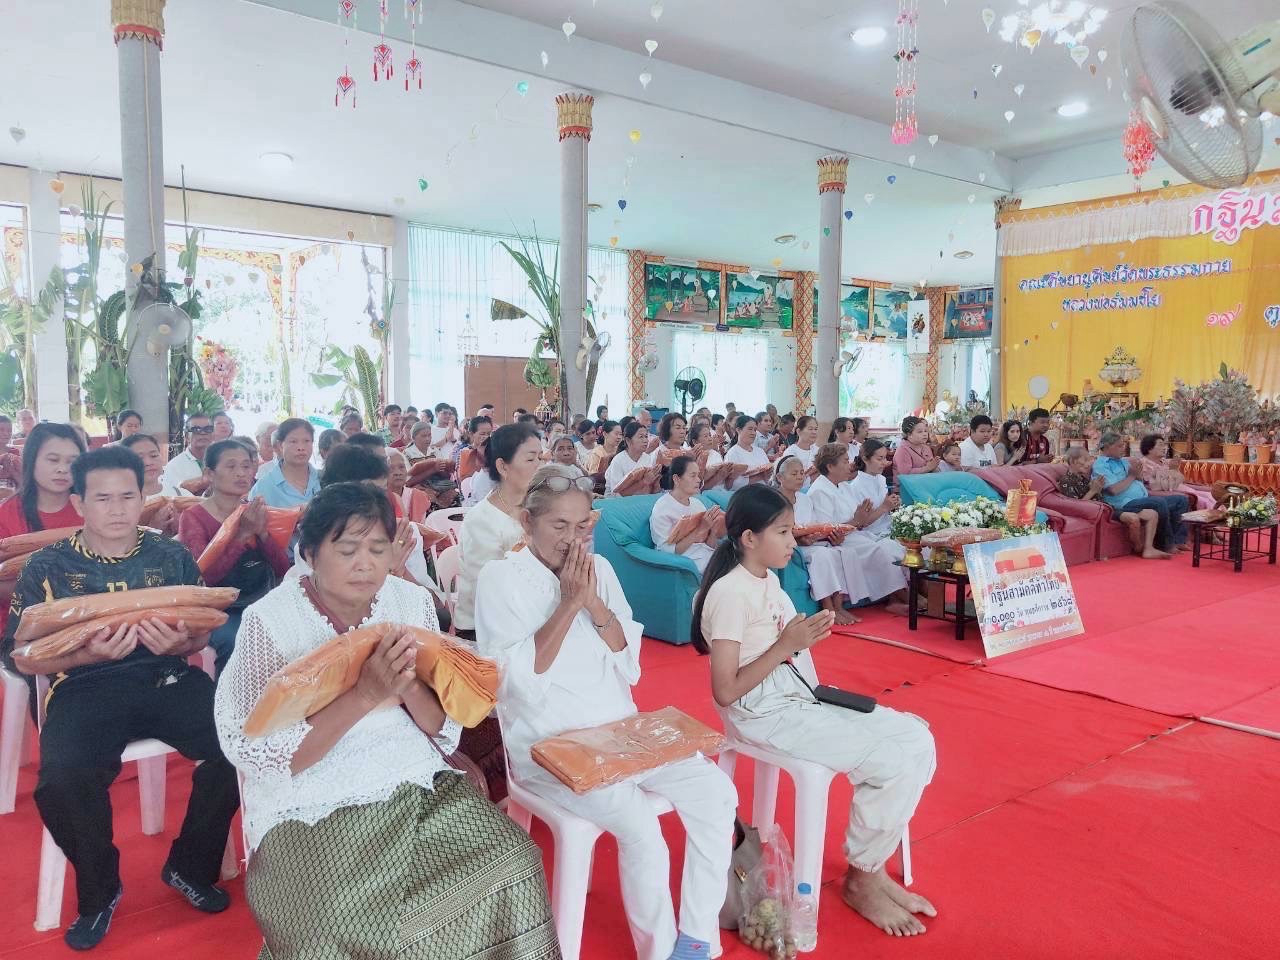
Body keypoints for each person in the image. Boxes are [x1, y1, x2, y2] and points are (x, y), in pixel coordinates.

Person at [213, 482, 557, 960]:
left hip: (411, 777)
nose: (365, 563)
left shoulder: (409, 604)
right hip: (311, 795)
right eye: (347, 548)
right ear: (309, 552)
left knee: (514, 861)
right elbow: (264, 755)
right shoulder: (270, 621)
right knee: (328, 923)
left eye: (378, 548)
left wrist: (406, 686)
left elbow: (441, 727)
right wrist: (364, 694)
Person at [477, 464, 735, 960]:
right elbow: (510, 686)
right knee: (641, 827)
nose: (573, 539)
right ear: (527, 524)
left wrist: (594, 605)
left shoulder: (603, 571)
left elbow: (627, 657)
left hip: (622, 732)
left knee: (717, 793)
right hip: (549, 744)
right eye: (558, 526)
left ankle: (697, 937)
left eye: (582, 527)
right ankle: (659, 951)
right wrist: (569, 604)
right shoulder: (500, 578)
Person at [5, 446, 239, 950]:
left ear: (143, 497)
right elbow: (20, 656)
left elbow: (198, 633)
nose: (116, 509)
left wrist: (182, 643)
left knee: (241, 744)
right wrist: (85, 656)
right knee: (62, 780)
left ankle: (190, 865)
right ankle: (100, 886)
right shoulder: (48, 566)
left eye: (127, 497)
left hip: (165, 674)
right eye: (102, 498)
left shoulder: (170, 556)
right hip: (84, 686)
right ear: (79, 502)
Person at [693, 485, 936, 937]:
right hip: (763, 714)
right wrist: (788, 644)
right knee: (890, 757)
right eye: (784, 532)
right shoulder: (729, 594)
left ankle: (872, 867)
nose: (793, 541)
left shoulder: (767, 581)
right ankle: (863, 877)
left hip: (800, 697)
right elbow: (725, 690)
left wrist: (800, 640)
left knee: (915, 737)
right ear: (749, 537)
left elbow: (782, 648)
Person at [177, 440, 291, 674]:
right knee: (238, 640)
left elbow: (281, 569)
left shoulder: (255, 511)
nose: (241, 473)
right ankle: (227, 707)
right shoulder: (194, 517)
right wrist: (242, 535)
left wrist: (262, 533)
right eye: (231, 466)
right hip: (219, 609)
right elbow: (203, 579)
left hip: (260, 599)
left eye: (247, 466)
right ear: (209, 474)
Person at [454, 424, 541, 642]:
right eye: (531, 459)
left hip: (531, 612)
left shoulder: (538, 506)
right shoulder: (481, 519)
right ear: (503, 466)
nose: (539, 466)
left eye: (541, 458)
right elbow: (485, 588)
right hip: (485, 627)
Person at [807, 444, 908, 614]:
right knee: (877, 551)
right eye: (845, 462)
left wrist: (860, 519)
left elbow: (859, 519)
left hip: (856, 535)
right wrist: (856, 521)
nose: (850, 465)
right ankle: (902, 598)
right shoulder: (820, 491)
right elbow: (827, 530)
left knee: (893, 548)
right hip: (837, 541)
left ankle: (900, 597)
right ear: (830, 466)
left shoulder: (844, 486)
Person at [774, 453, 866, 625]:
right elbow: (775, 530)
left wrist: (830, 537)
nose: (800, 477)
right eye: (794, 474)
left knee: (843, 551)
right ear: (780, 477)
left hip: (811, 542)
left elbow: (815, 525)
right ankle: (828, 609)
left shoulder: (805, 499)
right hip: (790, 545)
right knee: (822, 556)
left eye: (802, 473)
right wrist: (800, 540)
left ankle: (839, 607)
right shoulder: (774, 500)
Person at [1058, 447, 1167, 559]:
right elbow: (1075, 506)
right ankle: (1138, 547)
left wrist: (1097, 489)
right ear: (1072, 461)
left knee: (1152, 514)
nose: (1088, 463)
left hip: (1108, 508)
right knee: (1133, 519)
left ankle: (1148, 549)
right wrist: (1093, 491)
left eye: (1088, 459)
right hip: (1098, 512)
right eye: (1084, 460)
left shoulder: (1084, 478)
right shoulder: (1066, 481)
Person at [1091, 432, 1189, 553]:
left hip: (1142, 498)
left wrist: (1138, 476)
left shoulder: (1122, 462)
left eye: (1124, 445)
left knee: (1181, 500)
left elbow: (1136, 480)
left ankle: (1179, 540)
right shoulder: (1100, 466)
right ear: (1106, 447)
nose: (1124, 448)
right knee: (1158, 503)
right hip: (1122, 504)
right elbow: (1113, 490)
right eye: (1119, 446)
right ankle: (1165, 545)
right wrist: (1132, 476)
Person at [650, 456, 716, 575]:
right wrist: (699, 530)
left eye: (698, 475)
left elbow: (708, 545)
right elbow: (667, 552)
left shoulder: (697, 503)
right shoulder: (662, 508)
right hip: (685, 561)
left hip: (705, 555)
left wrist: (714, 530)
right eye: (693, 475)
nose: (698, 480)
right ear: (676, 479)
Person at [248, 419, 319, 508]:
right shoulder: (263, 487)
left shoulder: (323, 478)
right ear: (280, 445)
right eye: (293, 441)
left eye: (306, 441)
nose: (301, 447)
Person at [1138, 435, 1215, 510]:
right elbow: (1156, 486)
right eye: (1160, 445)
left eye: (1164, 445)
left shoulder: (1164, 461)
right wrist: (1173, 470)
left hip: (1179, 487)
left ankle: (1222, 516)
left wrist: (1175, 470)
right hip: (1167, 491)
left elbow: (1179, 480)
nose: (1164, 448)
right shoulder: (1143, 464)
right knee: (1203, 500)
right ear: (1149, 449)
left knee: (1210, 495)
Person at [160, 413, 215, 493]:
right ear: (186, 437)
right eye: (196, 429)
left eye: (208, 429)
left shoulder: (223, 460)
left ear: (213, 434)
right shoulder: (174, 466)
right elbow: (169, 496)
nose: (203, 433)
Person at [605, 421, 660, 496]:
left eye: (646, 436)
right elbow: (616, 494)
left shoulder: (647, 458)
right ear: (628, 440)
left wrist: (656, 481)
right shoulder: (618, 460)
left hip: (641, 501)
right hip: (617, 503)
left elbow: (651, 490)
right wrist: (644, 481)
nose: (645, 440)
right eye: (641, 437)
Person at [724, 415, 769, 491]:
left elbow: (768, 475)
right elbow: (730, 485)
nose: (753, 433)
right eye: (750, 429)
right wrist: (759, 477)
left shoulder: (760, 451)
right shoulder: (733, 453)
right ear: (738, 430)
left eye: (755, 430)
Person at [783, 415, 821, 480]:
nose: (814, 432)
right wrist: (809, 474)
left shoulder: (818, 450)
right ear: (799, 431)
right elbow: (790, 479)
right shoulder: (791, 452)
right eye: (810, 429)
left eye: (816, 429)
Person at [457, 416, 493, 482]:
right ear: (471, 434)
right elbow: (463, 480)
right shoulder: (465, 452)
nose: (486, 437)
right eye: (482, 434)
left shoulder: (495, 450)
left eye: (489, 434)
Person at [0, 414, 24, 493]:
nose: (6, 433)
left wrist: (12, 472)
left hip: (12, 493)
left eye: (9, 430)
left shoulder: (14, 452)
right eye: (1, 430)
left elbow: (21, 481)